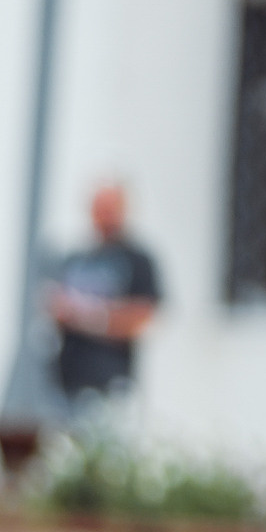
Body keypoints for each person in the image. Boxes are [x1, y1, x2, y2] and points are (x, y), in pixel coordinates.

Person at [46, 180, 162, 432]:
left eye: (110, 208)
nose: (103, 215)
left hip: (110, 385)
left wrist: (87, 317)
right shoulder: (75, 259)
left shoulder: (137, 260)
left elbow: (142, 319)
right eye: (98, 208)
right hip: (66, 382)